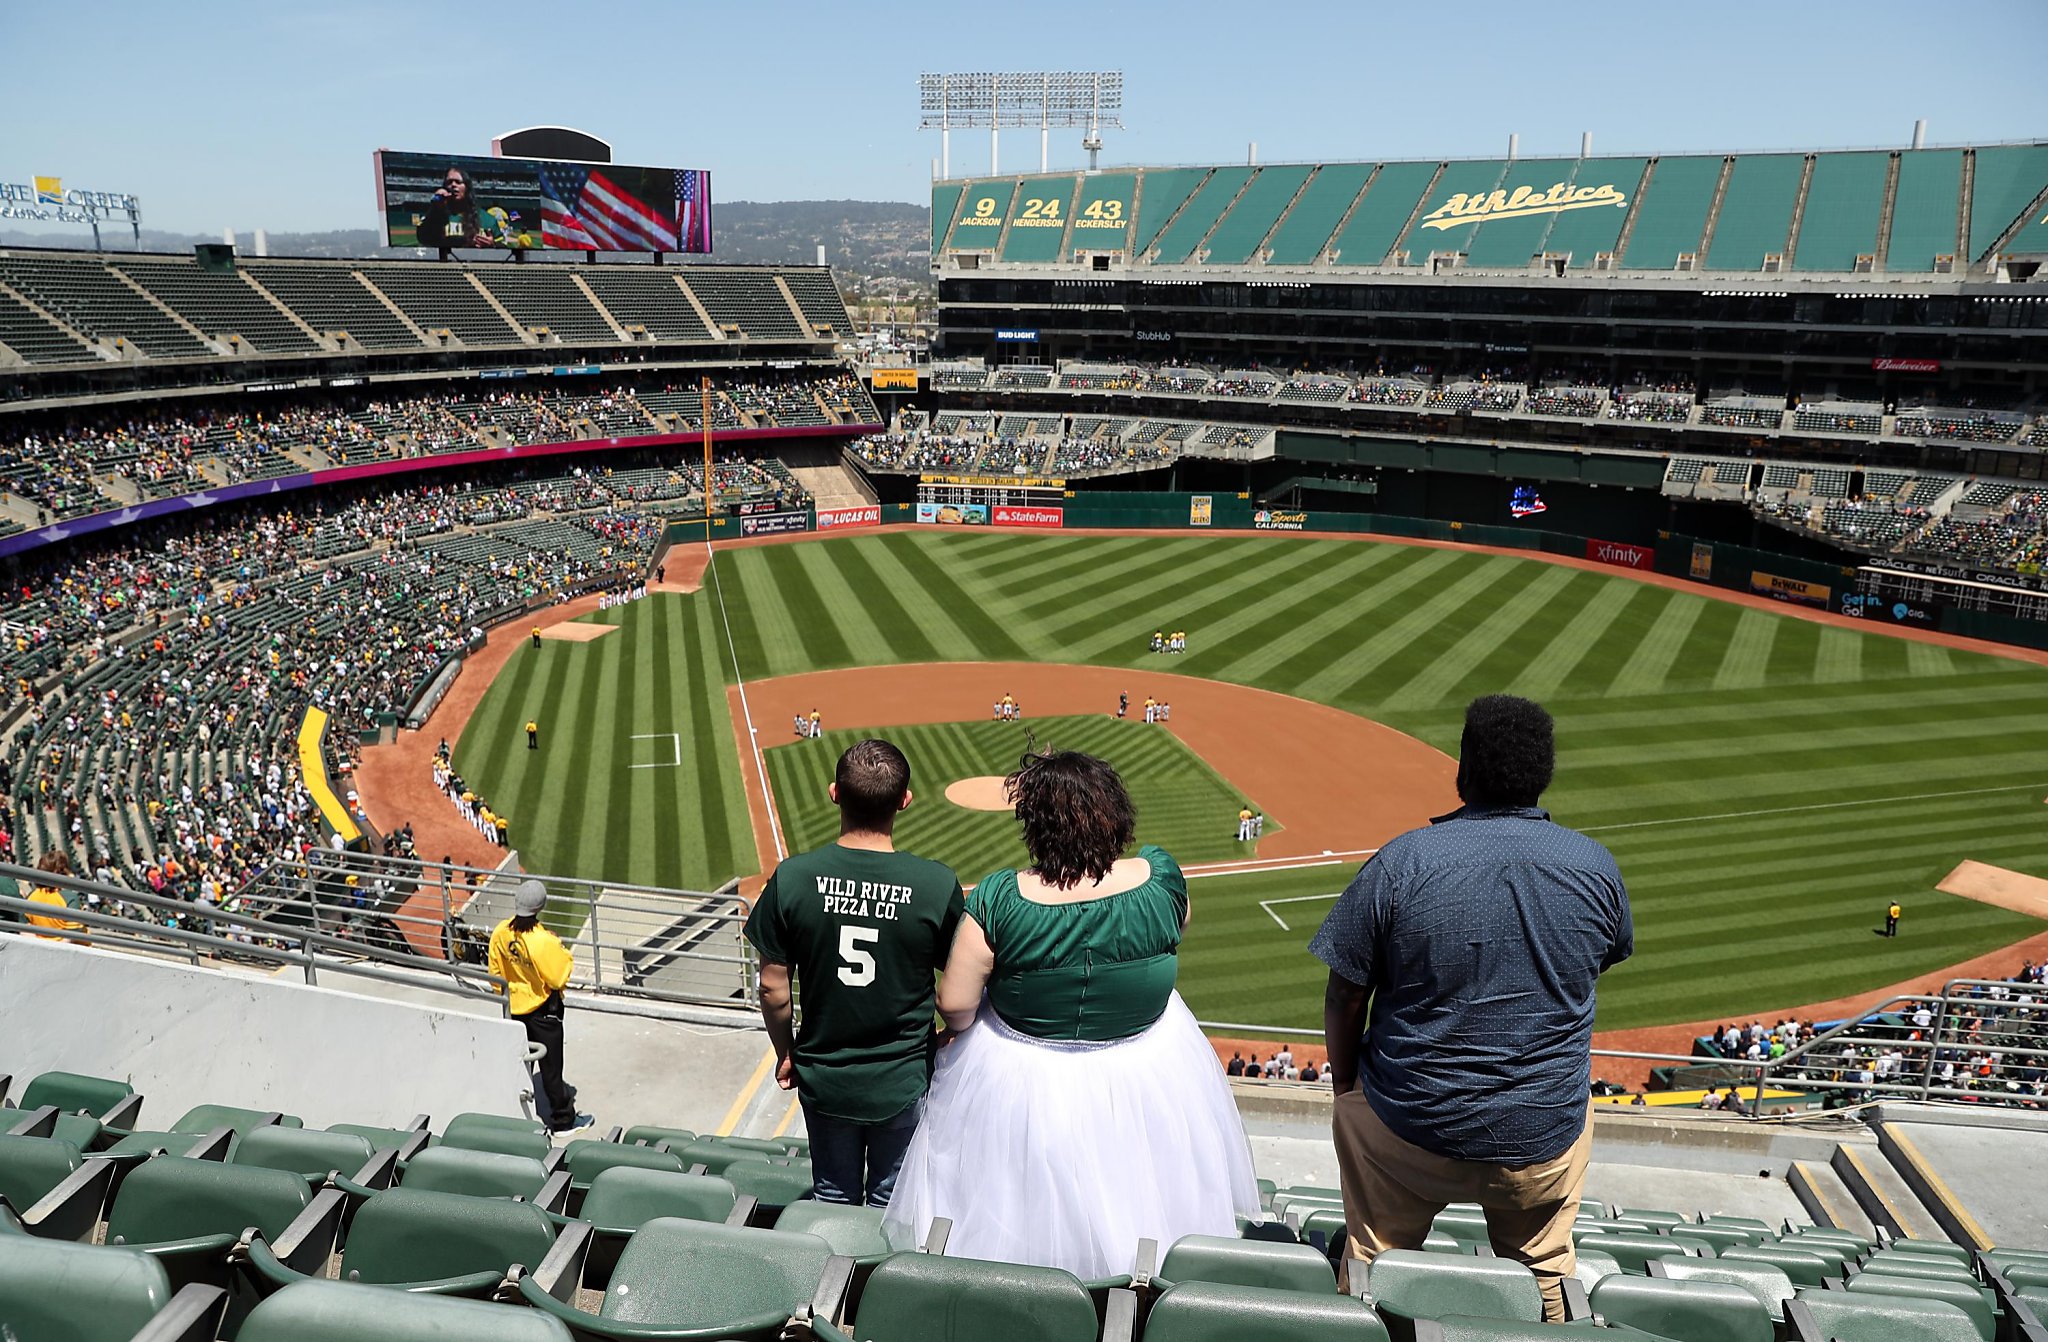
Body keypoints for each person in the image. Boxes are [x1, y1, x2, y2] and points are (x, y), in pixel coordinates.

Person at [1311, 694, 1632, 1319]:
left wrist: (1347, 1087)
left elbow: (1346, 989)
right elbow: (1600, 959)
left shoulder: (1403, 861)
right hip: (1541, 1133)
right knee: (1543, 1272)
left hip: (1405, 1124)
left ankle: (1365, 1323)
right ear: (1543, 775)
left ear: (1463, 770)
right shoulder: (1596, 867)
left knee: (1374, 1265)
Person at [885, 748, 1261, 1279]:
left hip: (1023, 1072)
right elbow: (1174, 930)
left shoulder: (999, 897)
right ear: (1115, 814)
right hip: (1149, 1067)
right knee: (1147, 1197)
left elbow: (956, 1004)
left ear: (1036, 824)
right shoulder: (1160, 876)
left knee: (1017, 1211)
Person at [744, 739, 963, 1207]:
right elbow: (963, 985)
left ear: (834, 793)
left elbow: (771, 987)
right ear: (904, 801)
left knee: (832, 1196)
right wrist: (949, 1032)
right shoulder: (936, 884)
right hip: (903, 1078)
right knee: (894, 1204)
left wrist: (786, 1052)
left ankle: (834, 1280)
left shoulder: (793, 877)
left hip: (825, 1077)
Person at [488, 879, 592, 1133]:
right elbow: (558, 977)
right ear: (540, 906)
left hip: (512, 1007)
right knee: (551, 1069)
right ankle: (563, 1121)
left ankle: (513, 1116)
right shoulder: (544, 941)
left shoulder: (501, 931)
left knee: (518, 1063)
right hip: (543, 1013)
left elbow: (495, 974)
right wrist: (562, 949)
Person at [415, 167, 493, 252]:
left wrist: (493, 245)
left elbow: (505, 249)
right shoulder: (435, 215)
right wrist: (436, 209)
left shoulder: (487, 219)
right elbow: (423, 239)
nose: (453, 185)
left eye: (458, 182)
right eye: (449, 182)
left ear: (467, 187)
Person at [26, 850, 85, 942]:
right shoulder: (70, 898)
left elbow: (25, 929)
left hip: (39, 946)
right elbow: (71, 936)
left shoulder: (31, 896)